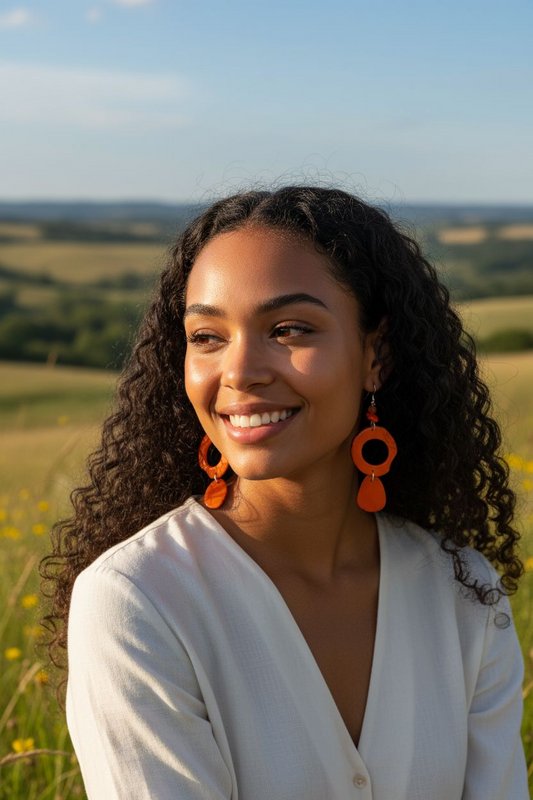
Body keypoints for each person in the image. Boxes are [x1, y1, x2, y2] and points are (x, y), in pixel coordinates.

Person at [39, 186, 529, 799]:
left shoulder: (464, 595)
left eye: (289, 329)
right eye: (207, 337)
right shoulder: (138, 603)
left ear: (375, 357)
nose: (241, 372)